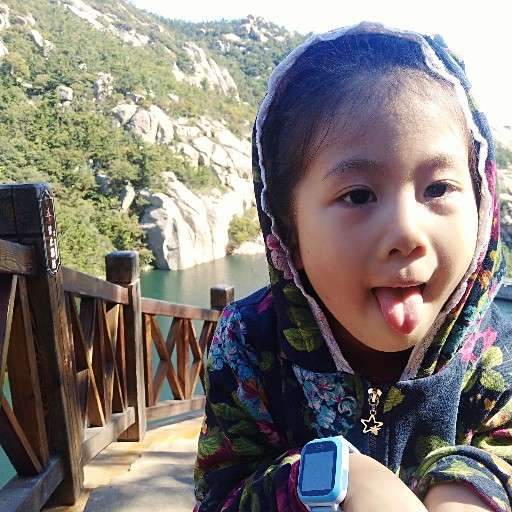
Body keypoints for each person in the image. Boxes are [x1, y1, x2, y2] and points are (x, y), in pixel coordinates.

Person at [193, 21, 512, 512]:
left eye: (438, 188)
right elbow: (220, 495)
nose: (406, 233)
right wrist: (337, 476)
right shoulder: (249, 344)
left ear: (482, 201)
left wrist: (465, 487)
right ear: (288, 230)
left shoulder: (498, 349)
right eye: (358, 195)